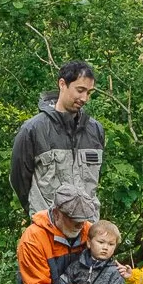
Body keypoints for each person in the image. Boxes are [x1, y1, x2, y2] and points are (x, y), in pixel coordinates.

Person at [10, 60, 105, 219]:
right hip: (47, 229)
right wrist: (38, 212)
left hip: (86, 229)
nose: (84, 98)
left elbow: (95, 178)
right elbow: (19, 180)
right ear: (62, 84)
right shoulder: (33, 129)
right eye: (80, 90)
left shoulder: (95, 130)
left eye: (88, 92)